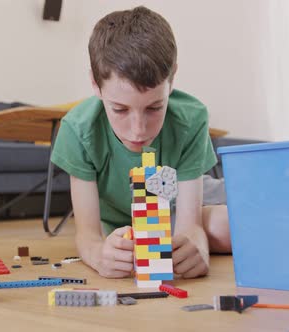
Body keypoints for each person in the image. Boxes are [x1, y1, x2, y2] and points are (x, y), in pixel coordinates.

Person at [50, 6, 231, 280]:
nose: (138, 131)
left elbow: (190, 226)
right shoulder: (78, 130)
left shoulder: (191, 118)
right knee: (214, 229)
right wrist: (100, 256)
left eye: (154, 108)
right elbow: (87, 236)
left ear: (172, 81)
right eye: (120, 110)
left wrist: (197, 246)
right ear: (95, 85)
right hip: (133, 221)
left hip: (189, 195)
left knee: (228, 224)